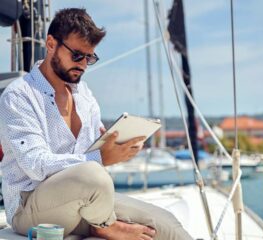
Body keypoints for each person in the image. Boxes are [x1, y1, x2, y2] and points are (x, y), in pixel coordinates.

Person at [0, 8, 192, 240]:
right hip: (29, 206)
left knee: (165, 224)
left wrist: (118, 145)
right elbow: (35, 164)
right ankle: (103, 225)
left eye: (90, 58)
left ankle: (100, 221)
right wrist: (101, 158)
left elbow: (94, 150)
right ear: (51, 44)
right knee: (93, 175)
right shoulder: (18, 96)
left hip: (84, 199)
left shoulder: (84, 95)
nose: (83, 65)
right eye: (77, 55)